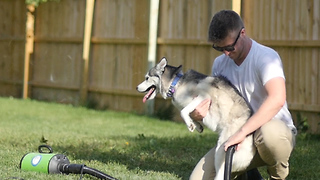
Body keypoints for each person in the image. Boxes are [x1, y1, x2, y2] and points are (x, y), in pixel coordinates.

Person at [189, 10, 297, 180]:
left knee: (271, 136)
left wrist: (242, 132)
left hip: (271, 132)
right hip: (238, 136)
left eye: (229, 47)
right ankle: (248, 174)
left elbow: (277, 98)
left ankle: (277, 176)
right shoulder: (219, 64)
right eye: (219, 48)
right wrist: (197, 116)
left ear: (243, 33)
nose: (225, 53)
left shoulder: (266, 57)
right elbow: (216, 109)